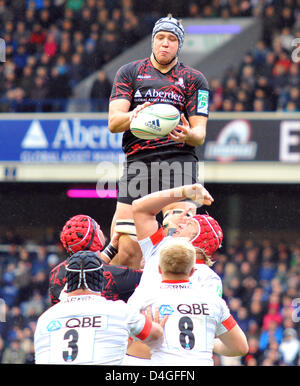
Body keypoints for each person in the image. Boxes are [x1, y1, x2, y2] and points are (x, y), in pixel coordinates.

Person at [108, 14, 210, 269]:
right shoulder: (130, 73)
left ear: (179, 45)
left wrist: (188, 135)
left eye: (172, 39)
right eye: (161, 37)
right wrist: (134, 115)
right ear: (153, 41)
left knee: (179, 245)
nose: (165, 43)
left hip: (180, 160)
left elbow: (200, 134)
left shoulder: (195, 80)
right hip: (138, 163)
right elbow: (113, 122)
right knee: (125, 249)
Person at [123, 183, 223, 364]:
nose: (182, 221)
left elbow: (208, 325)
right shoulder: (160, 244)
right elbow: (139, 208)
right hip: (132, 355)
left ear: (197, 239)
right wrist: (185, 191)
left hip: (175, 359)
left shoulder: (209, 278)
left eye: (190, 223)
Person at [34, 250, 166, 365]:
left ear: (68, 281)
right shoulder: (119, 311)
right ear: (101, 280)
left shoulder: (44, 319)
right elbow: (156, 336)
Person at [135, 237, 248, 365]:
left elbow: (123, 343)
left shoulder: (144, 297)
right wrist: (207, 343)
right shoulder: (213, 301)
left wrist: (149, 336)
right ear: (193, 271)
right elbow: (240, 347)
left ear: (159, 269)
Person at [49, 214, 142, 305]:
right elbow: (151, 278)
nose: (100, 227)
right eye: (98, 228)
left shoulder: (55, 274)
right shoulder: (116, 275)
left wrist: (112, 248)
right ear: (95, 240)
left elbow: (88, 265)